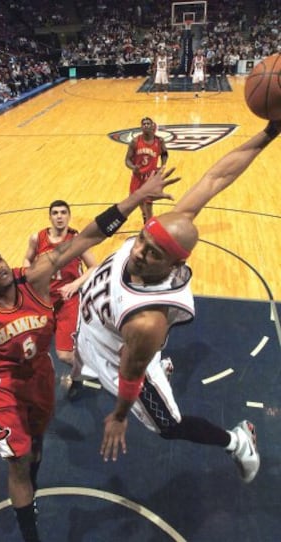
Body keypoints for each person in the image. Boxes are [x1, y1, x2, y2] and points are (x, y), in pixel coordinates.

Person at [0, 170, 178, 542]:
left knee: (36, 450)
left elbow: (89, 235)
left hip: (40, 377)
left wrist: (137, 198)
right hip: (5, 385)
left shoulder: (36, 277)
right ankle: (30, 533)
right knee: (19, 462)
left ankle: (29, 491)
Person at [73, 120, 281, 482]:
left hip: (120, 356)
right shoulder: (170, 229)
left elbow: (129, 374)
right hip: (99, 332)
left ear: (174, 262)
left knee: (167, 425)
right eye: (140, 241)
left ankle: (236, 441)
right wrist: (270, 131)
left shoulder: (147, 320)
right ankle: (158, 363)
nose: (138, 253)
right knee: (134, 351)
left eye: (152, 254)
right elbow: (216, 177)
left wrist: (120, 415)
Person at [23, 200, 97, 367]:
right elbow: (27, 259)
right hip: (43, 298)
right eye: (55, 213)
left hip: (67, 298)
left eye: (63, 212)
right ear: (49, 217)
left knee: (64, 355)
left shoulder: (77, 240)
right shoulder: (37, 238)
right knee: (28, 346)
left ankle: (94, 370)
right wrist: (29, 278)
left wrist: (75, 285)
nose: (59, 216)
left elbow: (94, 266)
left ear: (69, 216)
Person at [125, 116, 169, 224]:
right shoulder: (135, 142)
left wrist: (163, 165)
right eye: (143, 124)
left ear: (152, 126)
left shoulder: (159, 141)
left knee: (149, 203)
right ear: (141, 127)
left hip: (150, 177)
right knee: (137, 200)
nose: (146, 125)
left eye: (148, 124)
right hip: (138, 176)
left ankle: (149, 224)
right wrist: (132, 167)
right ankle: (145, 215)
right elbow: (127, 160)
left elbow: (164, 154)